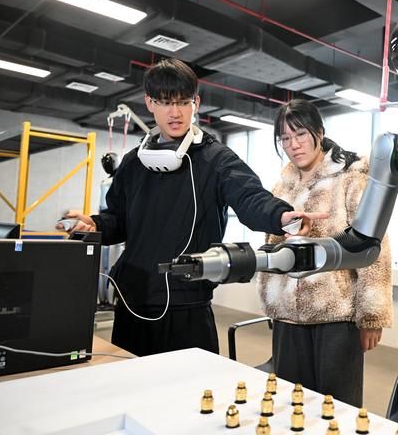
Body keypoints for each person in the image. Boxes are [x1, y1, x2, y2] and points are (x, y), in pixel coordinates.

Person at [57, 58, 324, 357]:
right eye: (165, 102)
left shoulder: (216, 159)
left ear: (196, 103)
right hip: (132, 301)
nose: (176, 112)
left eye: (183, 102)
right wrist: (94, 225)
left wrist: (281, 216)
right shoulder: (133, 163)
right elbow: (118, 220)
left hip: (188, 305)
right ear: (150, 103)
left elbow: (251, 198)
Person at [256, 99, 393, 407]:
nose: (293, 145)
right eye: (285, 138)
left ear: (319, 132)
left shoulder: (350, 179)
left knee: (337, 408)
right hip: (287, 317)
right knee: (292, 405)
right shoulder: (282, 187)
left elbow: (375, 248)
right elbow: (274, 246)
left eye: (300, 134)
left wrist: (371, 316)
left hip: (336, 315)